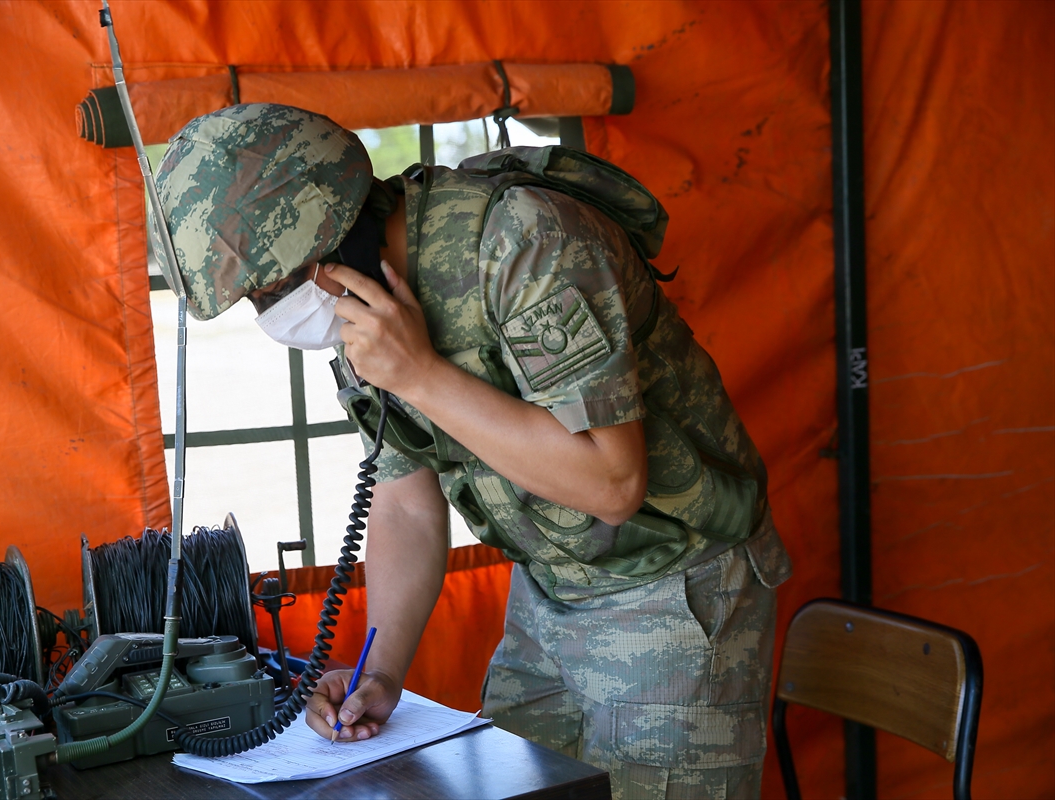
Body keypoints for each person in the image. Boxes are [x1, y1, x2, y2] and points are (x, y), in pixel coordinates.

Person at [153, 103, 792, 799]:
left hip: (672, 588)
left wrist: (421, 374)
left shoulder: (522, 241)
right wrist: (383, 671)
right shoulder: (363, 304)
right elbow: (403, 504)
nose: (269, 313)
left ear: (329, 235)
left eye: (268, 289)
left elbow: (613, 482)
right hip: (548, 587)